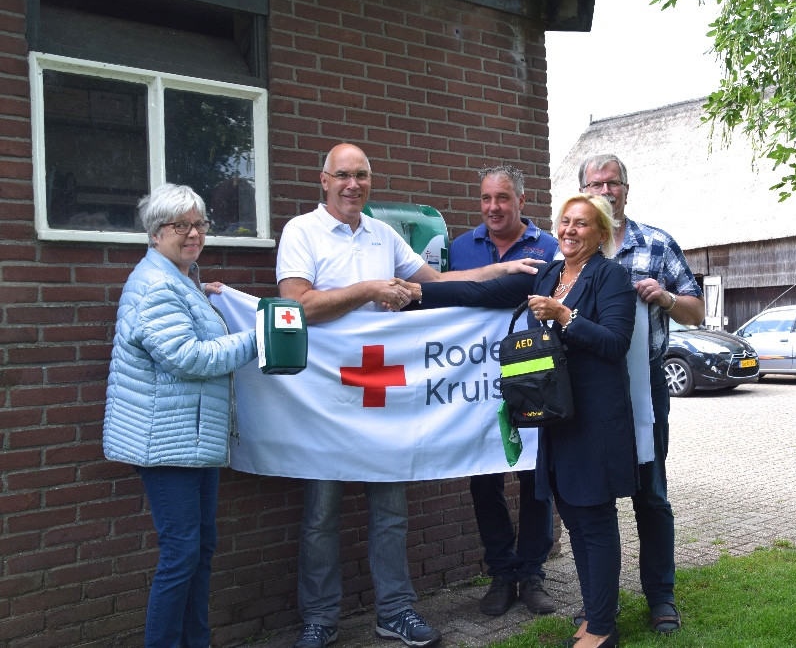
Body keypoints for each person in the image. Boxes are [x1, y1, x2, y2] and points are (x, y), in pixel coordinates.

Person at [276, 143, 541, 648]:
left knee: (391, 507)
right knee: (321, 513)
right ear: (324, 180)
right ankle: (319, 619)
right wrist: (370, 289)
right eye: (343, 175)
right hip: (326, 396)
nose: (353, 184)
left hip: (382, 393)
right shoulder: (301, 232)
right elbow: (297, 306)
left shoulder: (383, 234)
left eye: (362, 175)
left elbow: (438, 283)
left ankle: (395, 611)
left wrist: (499, 272)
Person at [413, 193, 639, 648]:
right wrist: (415, 292)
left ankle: (602, 627)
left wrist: (565, 316)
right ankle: (594, 613)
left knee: (595, 520)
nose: (570, 230)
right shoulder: (549, 274)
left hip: (595, 421)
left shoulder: (611, 276)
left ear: (601, 233)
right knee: (574, 520)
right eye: (565, 222)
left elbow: (615, 343)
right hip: (558, 419)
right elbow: (477, 292)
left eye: (581, 223)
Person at [103, 183, 259, 648]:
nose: (194, 233)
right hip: (167, 444)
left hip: (192, 442)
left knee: (199, 550)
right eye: (180, 226)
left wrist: (204, 296)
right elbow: (188, 358)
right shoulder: (156, 286)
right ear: (155, 234)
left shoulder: (181, 280)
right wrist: (260, 337)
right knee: (181, 554)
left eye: (199, 224)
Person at [577, 154, 705, 635]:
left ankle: (661, 597)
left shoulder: (656, 243)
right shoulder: (570, 248)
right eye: (595, 184)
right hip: (589, 391)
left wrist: (668, 298)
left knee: (650, 493)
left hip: (644, 383)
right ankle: (600, 604)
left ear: (626, 190)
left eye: (612, 183)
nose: (604, 191)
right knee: (594, 497)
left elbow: (696, 310)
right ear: (583, 191)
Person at [448, 165, 560, 616]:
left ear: (521, 201)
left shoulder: (548, 247)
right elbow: (452, 305)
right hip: (474, 381)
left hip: (532, 377)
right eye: (485, 198)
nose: (493, 208)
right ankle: (501, 573)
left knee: (535, 477)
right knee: (484, 477)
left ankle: (532, 573)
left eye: (503, 198)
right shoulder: (460, 248)